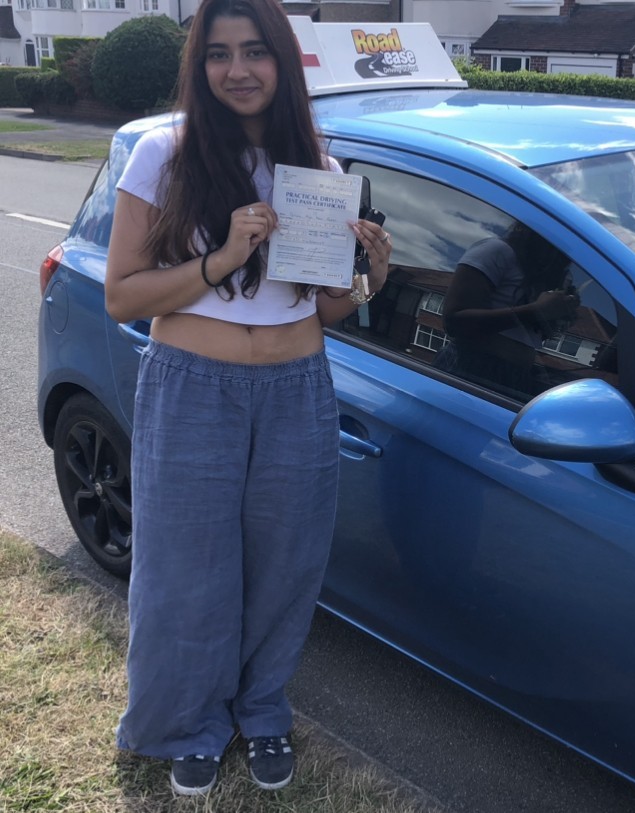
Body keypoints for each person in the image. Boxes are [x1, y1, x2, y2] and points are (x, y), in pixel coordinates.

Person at [103, 0, 391, 796]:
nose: (238, 70)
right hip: (194, 386)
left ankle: (261, 708)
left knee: (285, 564)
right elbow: (123, 297)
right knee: (186, 569)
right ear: (200, 66)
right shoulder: (165, 153)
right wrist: (223, 255)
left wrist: (372, 275)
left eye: (256, 52)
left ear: (284, 63)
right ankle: (185, 722)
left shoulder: (319, 171)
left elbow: (320, 307)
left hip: (298, 388)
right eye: (220, 54)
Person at [434, 222, 578, 399]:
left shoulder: (550, 276)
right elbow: (454, 321)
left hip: (517, 379)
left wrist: (560, 314)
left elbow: (529, 335)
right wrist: (535, 311)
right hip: (469, 370)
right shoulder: (496, 251)